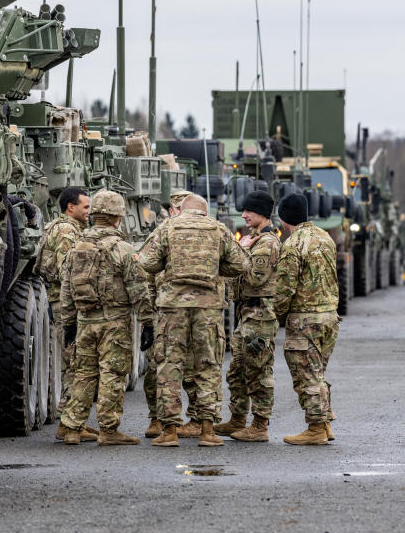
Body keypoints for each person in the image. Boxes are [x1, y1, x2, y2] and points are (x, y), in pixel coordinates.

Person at [137, 193, 249, 447]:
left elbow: (146, 261)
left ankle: (169, 431)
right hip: (208, 307)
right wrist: (215, 268)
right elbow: (241, 263)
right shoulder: (218, 229)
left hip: (172, 306)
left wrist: (168, 265)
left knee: (169, 366)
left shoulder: (167, 227)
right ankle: (208, 431)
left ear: (183, 210)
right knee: (208, 365)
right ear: (204, 212)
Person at [57, 190, 155, 445]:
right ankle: (109, 430)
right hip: (115, 322)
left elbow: (65, 288)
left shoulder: (78, 246)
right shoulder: (123, 248)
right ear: (117, 217)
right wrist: (148, 322)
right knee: (112, 373)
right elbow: (138, 289)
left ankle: (71, 428)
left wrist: (68, 322)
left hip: (84, 321)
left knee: (83, 373)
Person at [273, 192, 340, 445]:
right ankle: (324, 423)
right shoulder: (325, 238)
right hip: (330, 317)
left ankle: (315, 429)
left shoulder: (292, 245)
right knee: (317, 372)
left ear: (282, 219)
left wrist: (273, 315)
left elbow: (284, 289)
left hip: (305, 320)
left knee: (306, 375)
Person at [215, 191, 281, 442]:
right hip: (247, 312)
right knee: (237, 370)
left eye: (248, 211)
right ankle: (238, 419)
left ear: (261, 213)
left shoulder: (266, 243)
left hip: (260, 314)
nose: (243, 215)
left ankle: (260, 425)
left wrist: (240, 252)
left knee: (258, 371)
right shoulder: (254, 239)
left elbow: (255, 277)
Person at [36, 187, 95, 441]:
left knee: (74, 360)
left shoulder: (63, 227)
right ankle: (69, 424)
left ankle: (73, 421)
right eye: (85, 207)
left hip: (62, 301)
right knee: (75, 361)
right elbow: (66, 270)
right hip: (65, 304)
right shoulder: (65, 231)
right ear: (70, 207)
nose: (88, 212)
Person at [141, 189, 198, 439]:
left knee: (195, 367)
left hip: (195, 309)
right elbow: (146, 270)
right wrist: (150, 309)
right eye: (174, 209)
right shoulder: (162, 233)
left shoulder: (204, 231)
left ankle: (196, 418)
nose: (175, 213)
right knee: (158, 366)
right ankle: (157, 418)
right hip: (165, 308)